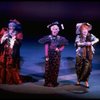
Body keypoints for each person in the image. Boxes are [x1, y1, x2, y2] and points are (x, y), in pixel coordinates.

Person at [38, 21, 68, 87]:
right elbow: (46, 47)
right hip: (49, 54)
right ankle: (47, 82)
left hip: (56, 55)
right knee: (48, 68)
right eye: (53, 29)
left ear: (58, 30)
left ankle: (54, 82)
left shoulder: (60, 38)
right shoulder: (48, 38)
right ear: (51, 29)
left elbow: (63, 45)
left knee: (55, 68)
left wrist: (59, 49)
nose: (55, 30)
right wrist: (46, 56)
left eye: (56, 29)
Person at [75, 22, 99, 88]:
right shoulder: (78, 36)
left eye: (86, 29)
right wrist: (85, 43)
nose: (85, 30)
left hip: (89, 54)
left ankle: (86, 81)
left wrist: (91, 42)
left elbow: (97, 39)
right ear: (80, 30)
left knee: (87, 68)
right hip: (80, 54)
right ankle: (79, 80)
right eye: (83, 29)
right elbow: (78, 44)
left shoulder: (90, 35)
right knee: (79, 67)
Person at [0, 19, 23, 84]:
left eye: (13, 26)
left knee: (11, 64)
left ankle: (11, 79)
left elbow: (19, 44)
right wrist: (4, 37)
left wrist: (14, 39)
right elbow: (1, 42)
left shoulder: (18, 33)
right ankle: (3, 78)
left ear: (15, 27)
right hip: (5, 51)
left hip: (12, 52)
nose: (11, 27)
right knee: (3, 63)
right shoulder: (5, 31)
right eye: (10, 26)